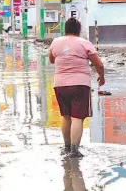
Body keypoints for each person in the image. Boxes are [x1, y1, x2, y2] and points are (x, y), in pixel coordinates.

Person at [49, 18, 105, 158]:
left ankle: (66, 147)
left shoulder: (56, 42)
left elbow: (51, 59)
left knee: (66, 117)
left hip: (60, 84)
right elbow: (99, 64)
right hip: (80, 84)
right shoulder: (84, 43)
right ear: (79, 30)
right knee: (77, 118)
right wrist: (101, 76)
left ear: (65, 29)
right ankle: (74, 150)